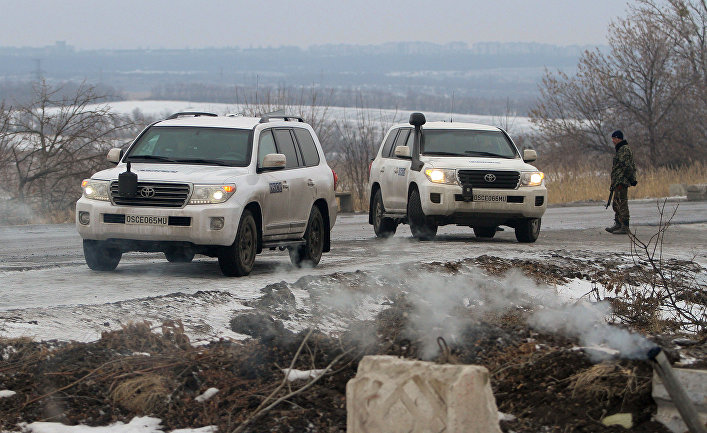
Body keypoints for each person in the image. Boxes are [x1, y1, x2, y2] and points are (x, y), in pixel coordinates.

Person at [606, 130, 637, 234]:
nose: (613, 141)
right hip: (618, 181)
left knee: (621, 204)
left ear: (618, 138)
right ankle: (618, 224)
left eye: (614, 138)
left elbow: (627, 166)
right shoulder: (621, 149)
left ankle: (625, 227)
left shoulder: (624, 150)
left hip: (622, 181)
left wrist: (631, 179)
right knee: (616, 204)